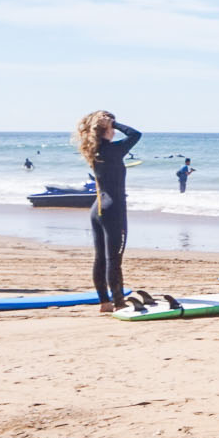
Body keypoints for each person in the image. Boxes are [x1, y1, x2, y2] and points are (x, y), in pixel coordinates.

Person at [74, 112, 143, 311]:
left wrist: (108, 124)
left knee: (100, 258)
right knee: (114, 259)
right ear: (107, 128)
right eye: (111, 127)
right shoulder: (113, 150)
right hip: (114, 209)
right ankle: (119, 303)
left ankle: (104, 302)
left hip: (98, 208)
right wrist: (115, 123)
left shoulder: (94, 150)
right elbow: (136, 135)